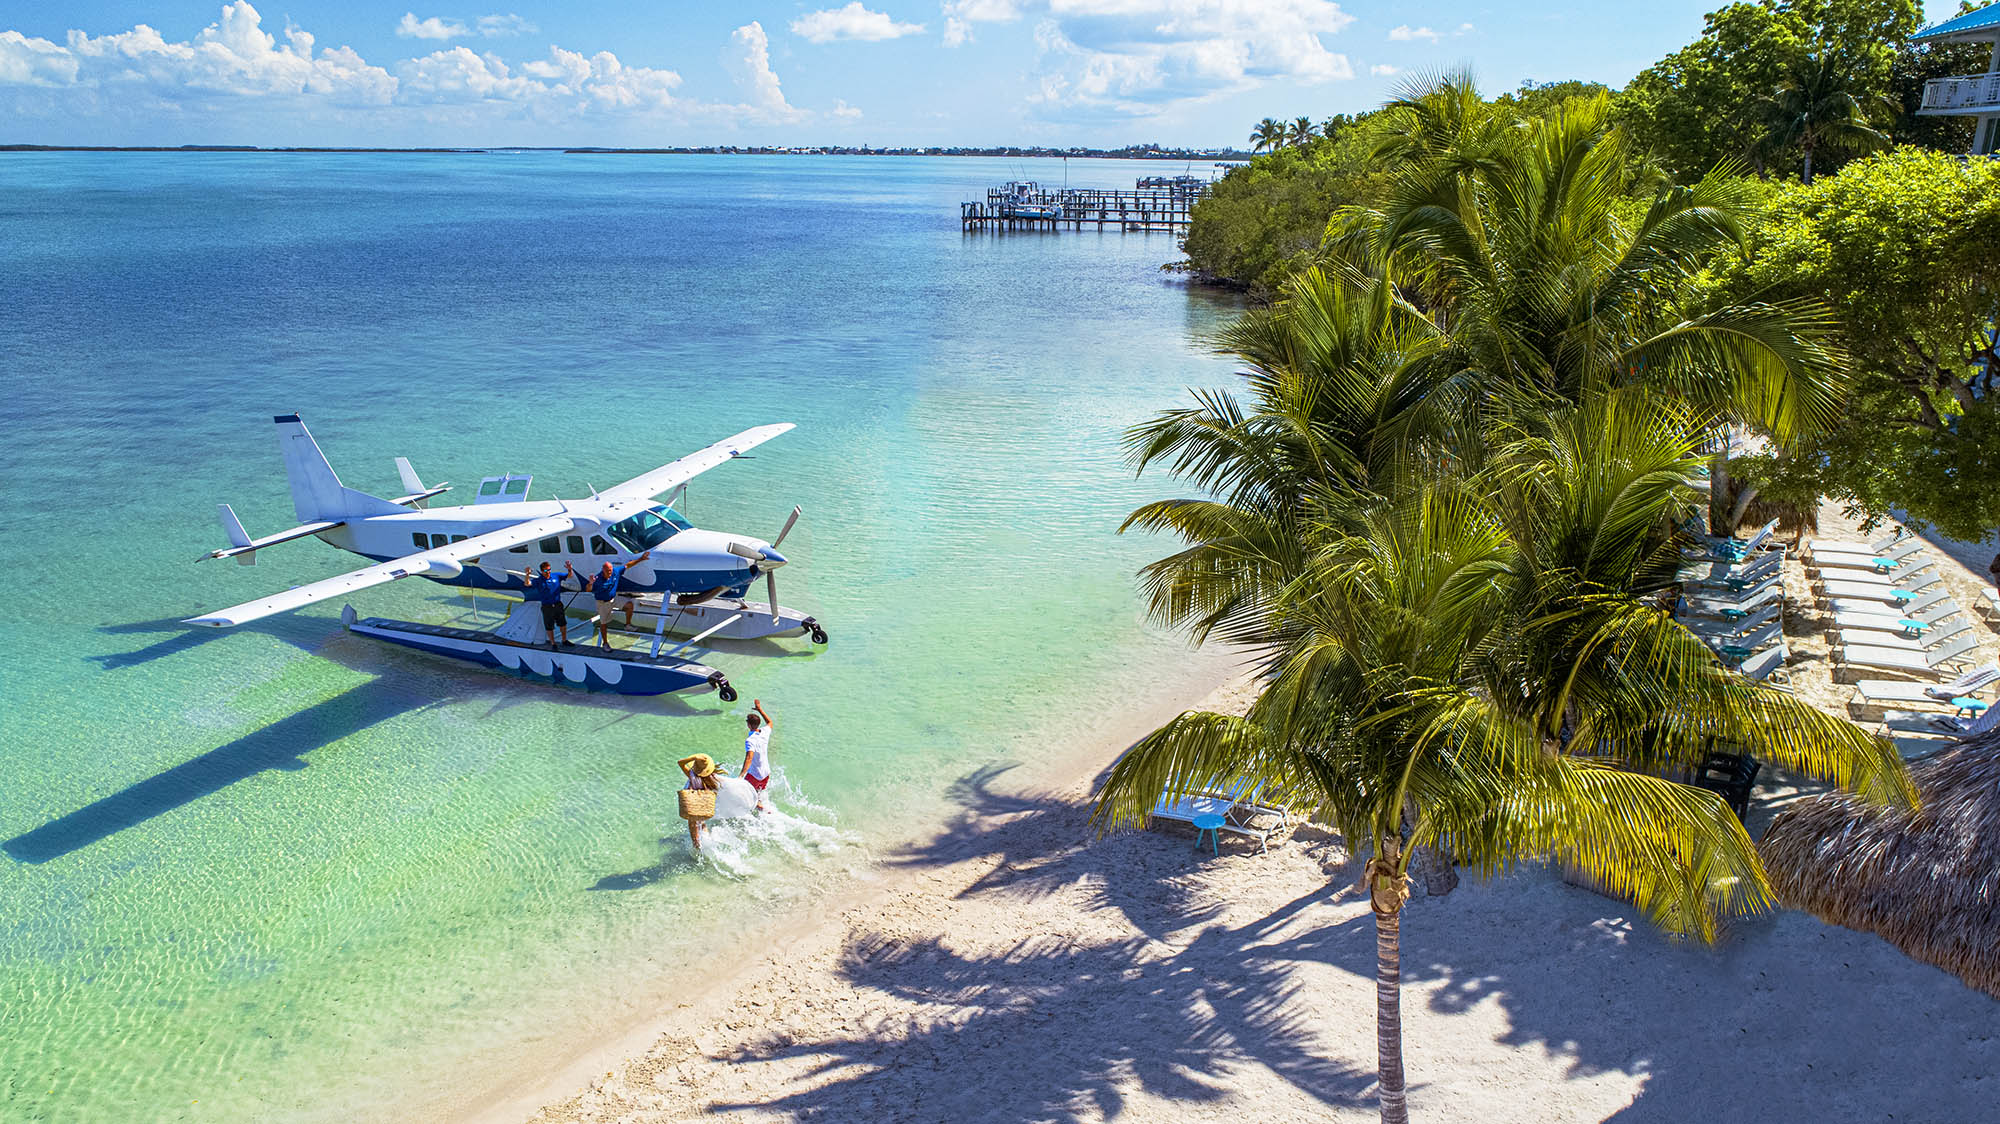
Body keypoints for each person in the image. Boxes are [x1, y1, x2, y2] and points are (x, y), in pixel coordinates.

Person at [581, 551, 651, 649]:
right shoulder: (597, 580)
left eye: (610, 571)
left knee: (629, 605)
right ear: (603, 570)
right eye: (607, 571)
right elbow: (588, 590)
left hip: (614, 599)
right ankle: (605, 643)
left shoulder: (615, 571)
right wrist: (591, 583)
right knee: (604, 623)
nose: (609, 573)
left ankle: (627, 625)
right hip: (603, 603)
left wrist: (641, 559)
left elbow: (627, 565)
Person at [513, 560, 572, 647]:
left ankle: (564, 640)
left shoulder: (556, 576)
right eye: (545, 571)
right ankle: (553, 643)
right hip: (546, 606)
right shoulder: (539, 580)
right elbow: (527, 584)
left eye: (549, 570)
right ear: (541, 571)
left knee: (562, 623)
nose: (548, 572)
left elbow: (569, 576)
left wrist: (570, 569)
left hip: (557, 604)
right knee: (549, 625)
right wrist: (527, 574)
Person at [677, 753, 724, 851]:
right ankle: (709, 842)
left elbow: (680, 763)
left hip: (692, 804)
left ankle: (697, 848)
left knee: (693, 825)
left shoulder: (692, 775)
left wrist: (694, 757)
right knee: (702, 823)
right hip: (703, 804)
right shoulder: (711, 777)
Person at [740, 699, 775, 812]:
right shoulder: (764, 732)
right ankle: (763, 808)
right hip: (766, 774)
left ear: (748, 725)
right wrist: (760, 709)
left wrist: (741, 775)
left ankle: (759, 809)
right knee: (757, 794)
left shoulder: (750, 740)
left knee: (744, 794)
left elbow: (749, 758)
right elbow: (770, 722)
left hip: (754, 775)